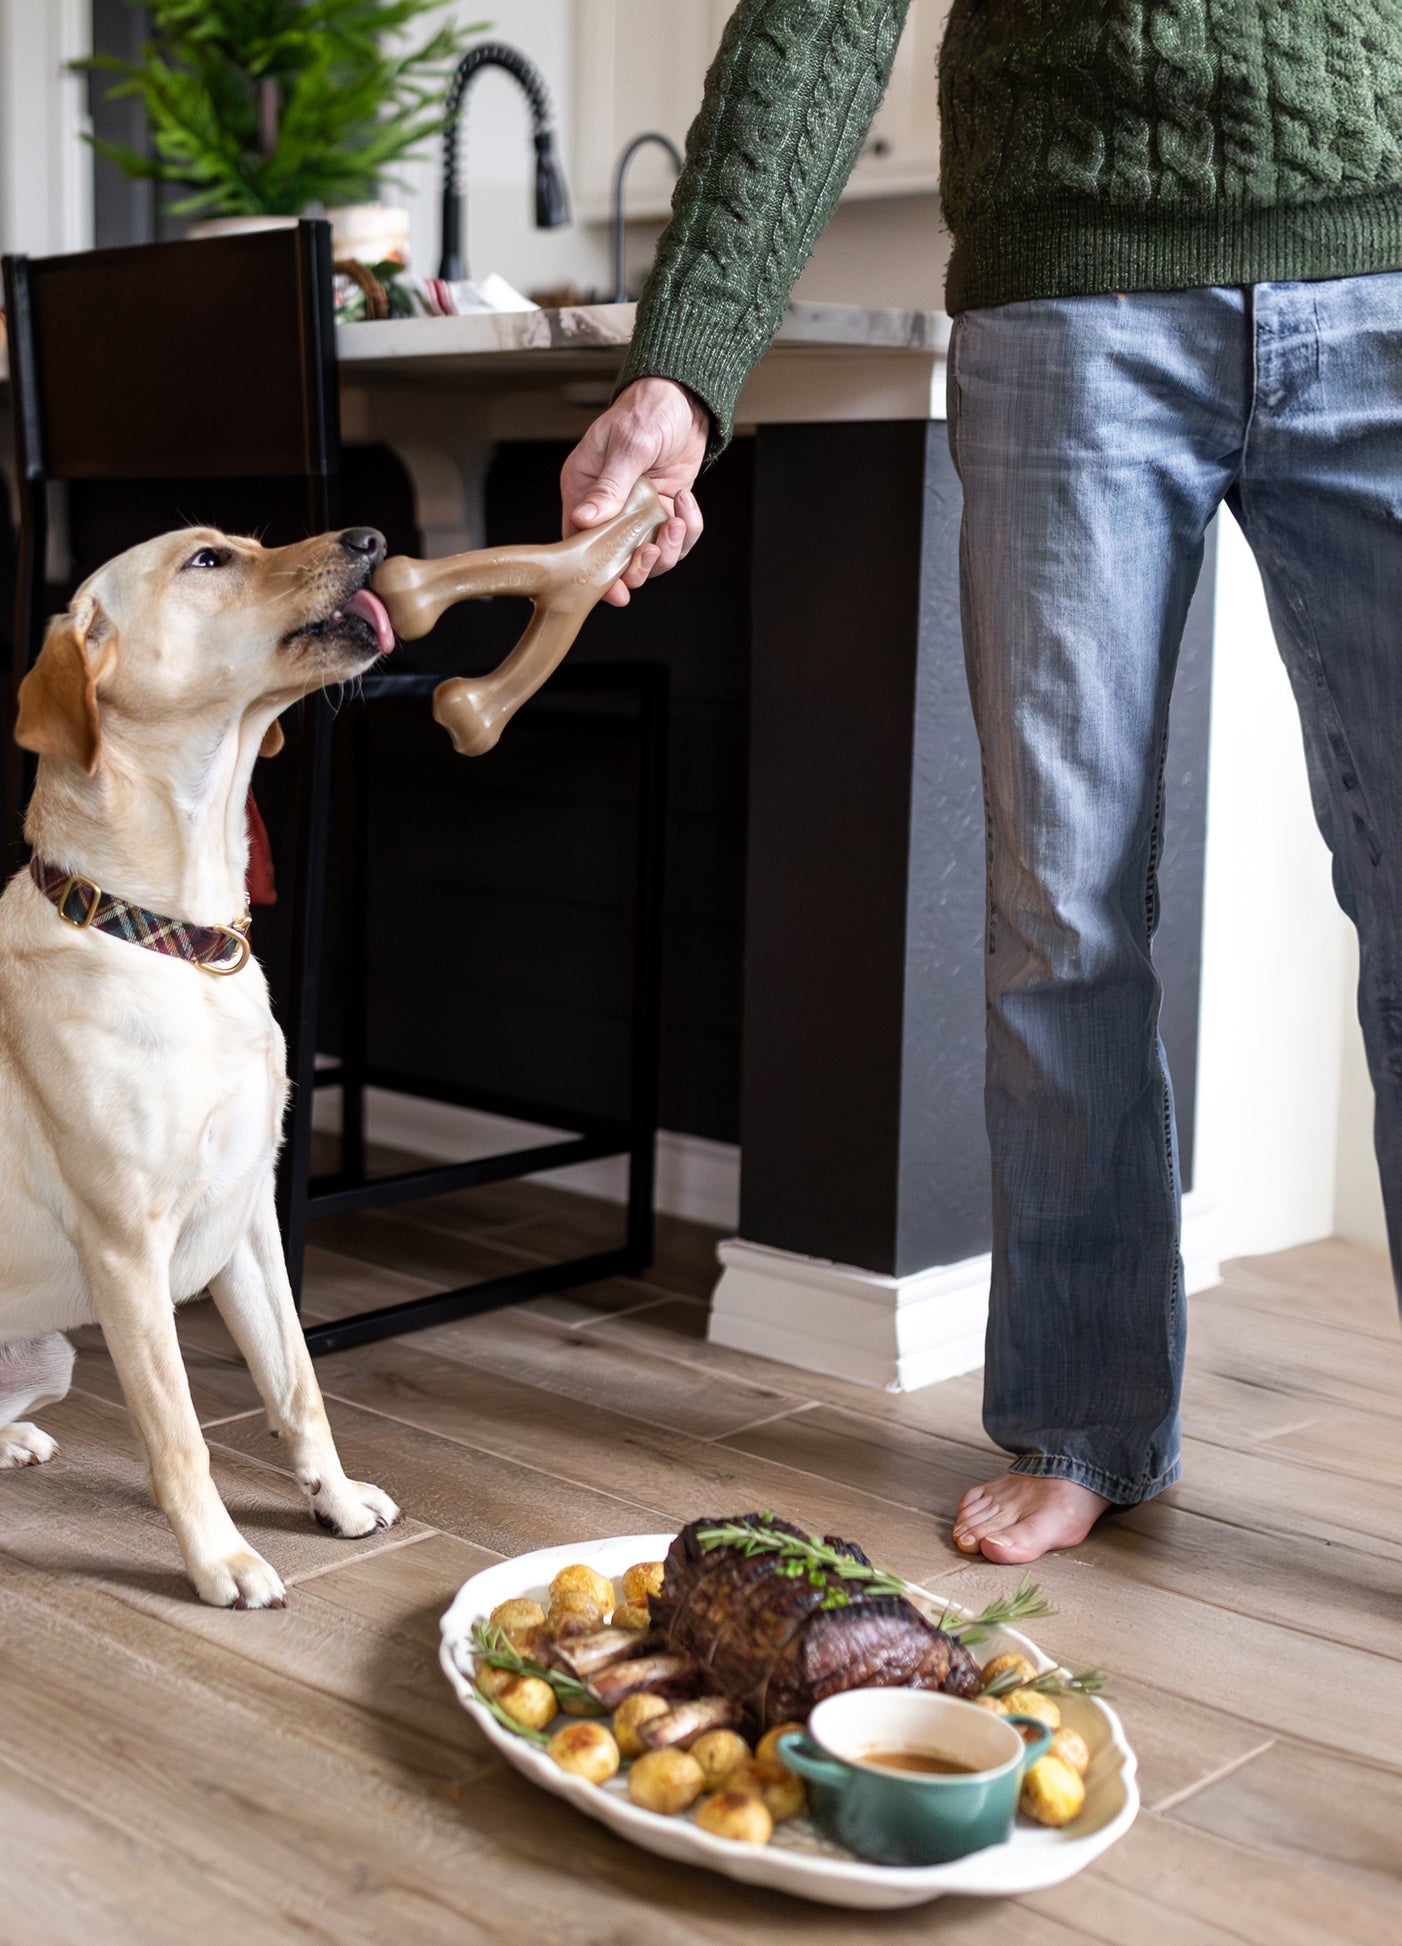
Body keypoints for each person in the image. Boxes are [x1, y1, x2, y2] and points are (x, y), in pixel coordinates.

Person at [563, 1, 1402, 1564]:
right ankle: (1082, 1413)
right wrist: (686, 365)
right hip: (1069, 300)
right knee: (1059, 910)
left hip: (1387, 260)